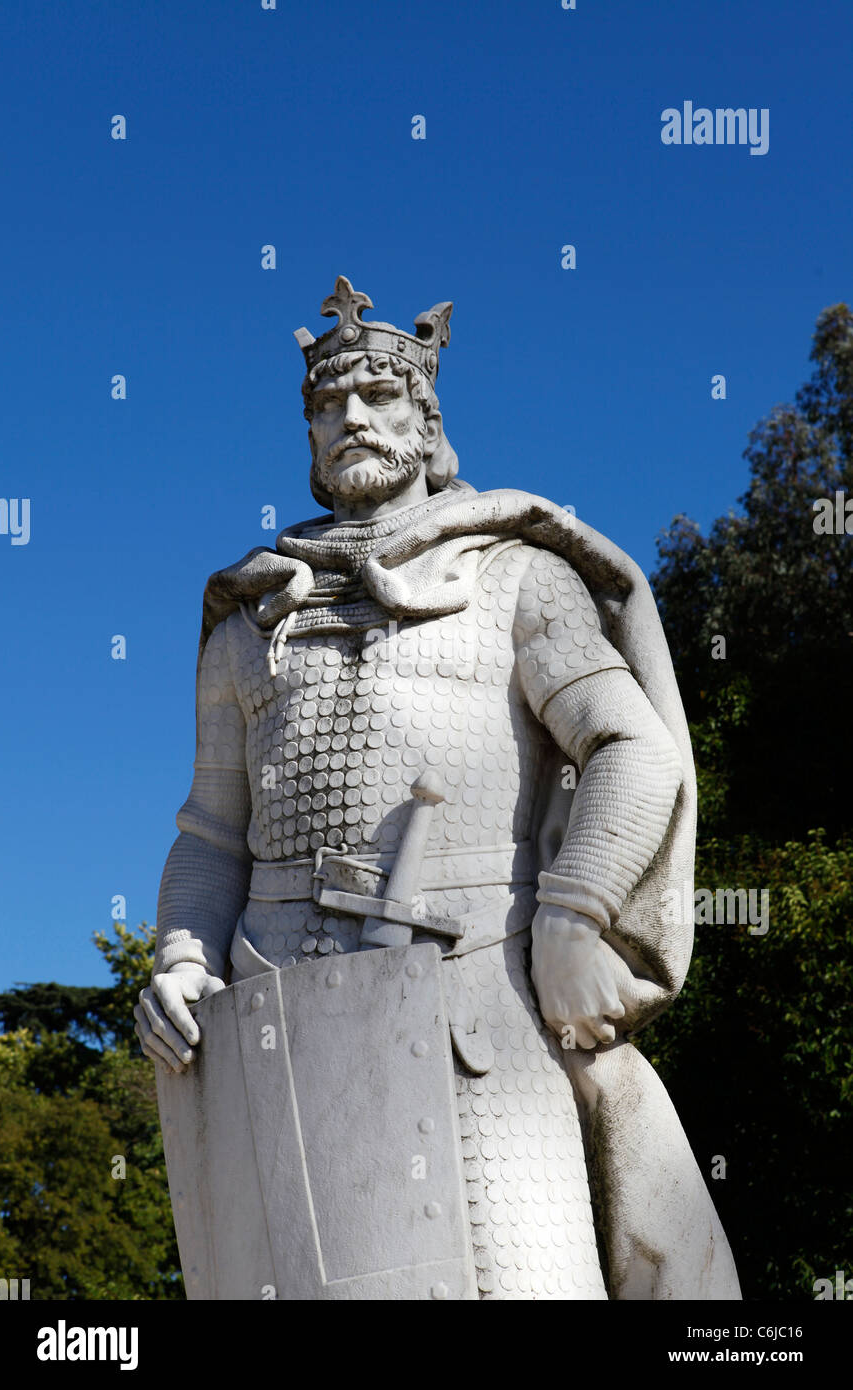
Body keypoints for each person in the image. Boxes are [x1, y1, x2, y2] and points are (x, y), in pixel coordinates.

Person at [135, 277, 740, 1300]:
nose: (351, 419)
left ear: (426, 420)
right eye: (327, 405)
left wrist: (574, 908)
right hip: (279, 1017)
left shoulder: (515, 572)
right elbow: (210, 833)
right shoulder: (248, 616)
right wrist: (183, 958)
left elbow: (628, 747)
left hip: (476, 1003)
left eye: (377, 398)